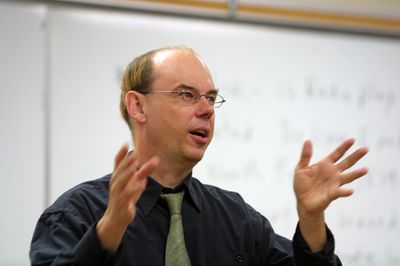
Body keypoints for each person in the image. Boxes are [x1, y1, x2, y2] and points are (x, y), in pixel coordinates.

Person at [30, 46, 368, 266]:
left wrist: (311, 221)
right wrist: (110, 231)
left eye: (211, 98)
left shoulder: (237, 219)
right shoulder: (74, 214)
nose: (206, 110)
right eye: (186, 95)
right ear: (138, 106)